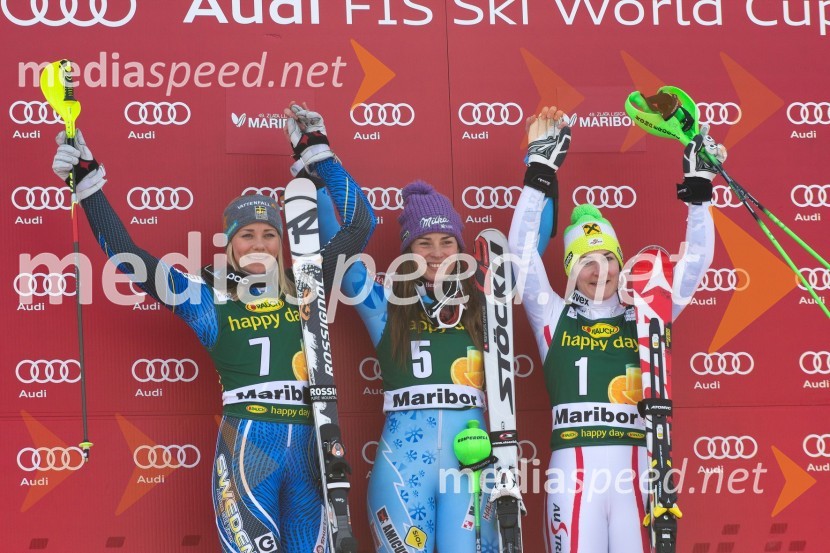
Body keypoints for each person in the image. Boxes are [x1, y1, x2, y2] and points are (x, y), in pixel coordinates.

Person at [49, 103, 375, 553]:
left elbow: (362, 223)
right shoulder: (205, 297)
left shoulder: (308, 283)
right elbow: (128, 255)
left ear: (283, 241)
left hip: (311, 447)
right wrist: (87, 183)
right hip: (248, 448)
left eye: (269, 234)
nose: (259, 243)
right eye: (248, 235)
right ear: (230, 243)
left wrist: (318, 154)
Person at [508, 106, 720, 552]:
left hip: (639, 470)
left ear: (620, 262)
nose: (598, 269)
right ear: (569, 268)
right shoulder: (551, 314)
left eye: (606, 257)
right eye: (585, 260)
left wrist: (699, 194)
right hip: (573, 474)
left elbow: (696, 264)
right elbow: (520, 256)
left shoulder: (647, 312)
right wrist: (539, 171)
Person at [336, 182, 498, 552]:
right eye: (424, 242)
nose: (437, 252)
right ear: (408, 251)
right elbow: (342, 247)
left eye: (447, 241)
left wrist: (540, 175)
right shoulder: (384, 303)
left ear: (461, 248)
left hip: (470, 467)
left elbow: (528, 252)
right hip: (402, 469)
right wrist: (318, 163)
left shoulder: (483, 303)